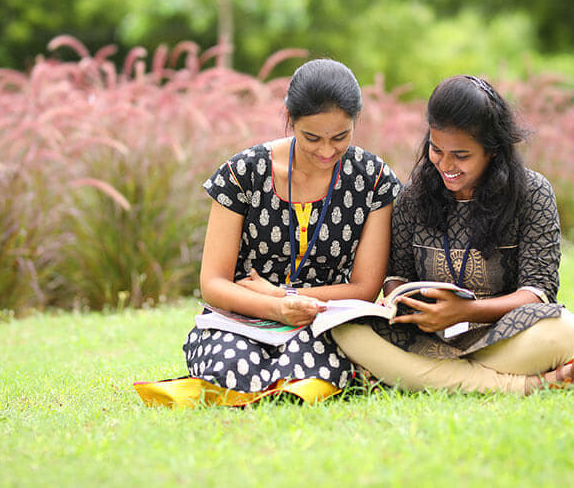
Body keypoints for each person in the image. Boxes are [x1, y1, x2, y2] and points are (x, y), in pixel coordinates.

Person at [134, 58, 401, 408]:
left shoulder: (374, 179)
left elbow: (364, 288)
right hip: (241, 319)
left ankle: (253, 391)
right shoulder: (243, 173)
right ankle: (271, 388)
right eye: (311, 137)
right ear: (289, 119)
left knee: (315, 361)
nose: (326, 151)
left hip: (325, 321)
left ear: (356, 121)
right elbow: (213, 283)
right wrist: (276, 308)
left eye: (341, 137)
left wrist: (283, 295)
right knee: (229, 363)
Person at [332, 75, 574, 395]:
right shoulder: (413, 196)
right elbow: (397, 276)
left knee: (562, 331)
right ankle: (528, 385)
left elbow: (538, 291)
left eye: (461, 155)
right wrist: (408, 305)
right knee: (346, 331)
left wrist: (465, 312)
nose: (445, 165)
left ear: (493, 151)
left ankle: (421, 377)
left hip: (501, 336)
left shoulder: (532, 194)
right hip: (427, 337)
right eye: (436, 149)